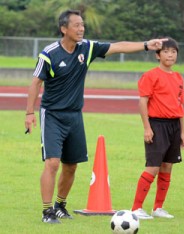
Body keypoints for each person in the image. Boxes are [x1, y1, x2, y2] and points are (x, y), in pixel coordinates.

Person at [24, 9, 167, 224]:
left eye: (82, 25)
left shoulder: (87, 48)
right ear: (64, 29)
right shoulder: (49, 53)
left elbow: (118, 47)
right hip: (52, 115)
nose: (81, 28)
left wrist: (147, 45)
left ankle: (60, 205)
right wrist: (29, 112)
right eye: (76, 25)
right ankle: (47, 212)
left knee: (71, 165)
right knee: (52, 163)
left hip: (75, 116)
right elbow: (36, 82)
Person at [131, 37, 184, 220]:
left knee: (167, 166)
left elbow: (180, 106)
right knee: (153, 167)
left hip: (174, 126)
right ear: (157, 55)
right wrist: (147, 128)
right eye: (166, 51)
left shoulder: (178, 77)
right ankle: (136, 208)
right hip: (156, 124)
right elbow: (142, 103)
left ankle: (158, 208)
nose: (170, 55)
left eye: (173, 52)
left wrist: (183, 132)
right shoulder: (150, 75)